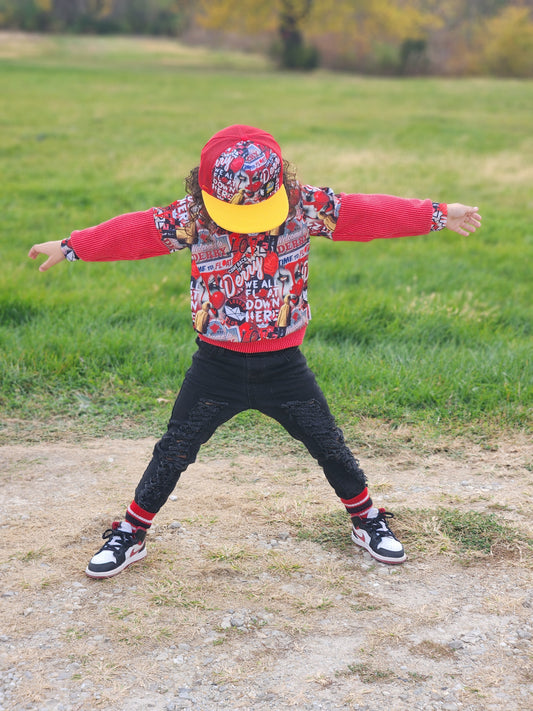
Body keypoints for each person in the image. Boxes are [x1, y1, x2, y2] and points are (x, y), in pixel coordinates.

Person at [29, 124, 482, 578]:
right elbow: (136, 232)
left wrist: (440, 214)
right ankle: (131, 532)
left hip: (284, 368)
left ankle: (366, 520)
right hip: (215, 367)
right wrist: (72, 246)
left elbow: (366, 213)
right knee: (173, 450)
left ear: (280, 184)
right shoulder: (194, 216)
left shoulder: (305, 206)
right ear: (206, 192)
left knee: (329, 445)